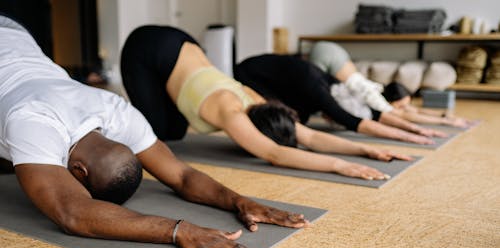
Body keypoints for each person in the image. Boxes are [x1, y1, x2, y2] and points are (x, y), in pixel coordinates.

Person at [0, 15, 310, 248]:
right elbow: (74, 212)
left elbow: (183, 176)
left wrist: (239, 201)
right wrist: (178, 231)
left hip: (17, 39)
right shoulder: (35, 121)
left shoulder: (115, 110)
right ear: (78, 172)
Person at [121, 25, 413, 182]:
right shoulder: (230, 109)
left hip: (182, 41)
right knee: (160, 133)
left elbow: (308, 135)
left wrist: (364, 149)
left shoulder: (260, 102)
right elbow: (275, 153)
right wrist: (339, 166)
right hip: (145, 46)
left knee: (176, 131)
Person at [234, 53, 448, 146]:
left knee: (302, 117)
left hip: (287, 79)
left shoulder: (335, 86)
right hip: (248, 74)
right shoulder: (321, 94)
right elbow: (355, 122)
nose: (333, 121)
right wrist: (407, 137)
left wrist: (418, 129)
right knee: (285, 128)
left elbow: (375, 114)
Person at [309, 41, 471, 129]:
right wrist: (444, 123)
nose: (404, 107)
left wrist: (443, 115)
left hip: (331, 52)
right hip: (326, 56)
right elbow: (404, 115)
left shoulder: (378, 89)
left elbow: (411, 110)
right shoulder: (375, 99)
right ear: (394, 100)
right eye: (402, 104)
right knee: (311, 92)